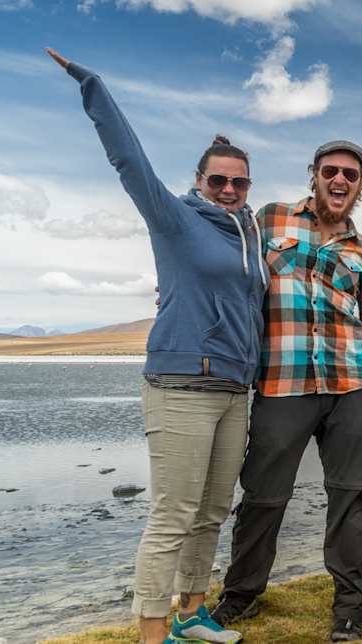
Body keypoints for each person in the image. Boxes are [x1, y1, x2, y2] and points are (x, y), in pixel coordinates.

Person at [47, 48, 265, 644]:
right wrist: (92, 85)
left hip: (233, 390)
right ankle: (152, 633)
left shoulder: (252, 237)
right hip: (180, 385)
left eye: (237, 181)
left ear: (248, 187)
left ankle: (194, 615)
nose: (226, 188)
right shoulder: (173, 217)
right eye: (216, 179)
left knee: (212, 513)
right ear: (199, 180)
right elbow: (128, 159)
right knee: (172, 515)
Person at [210, 140, 362, 642]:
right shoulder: (268, 220)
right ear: (313, 174)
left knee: (355, 495)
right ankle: (241, 595)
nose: (340, 180)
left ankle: (351, 608)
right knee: (263, 496)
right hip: (282, 381)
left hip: (350, 383)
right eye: (331, 171)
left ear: (360, 186)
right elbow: (221, 256)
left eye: (351, 175)